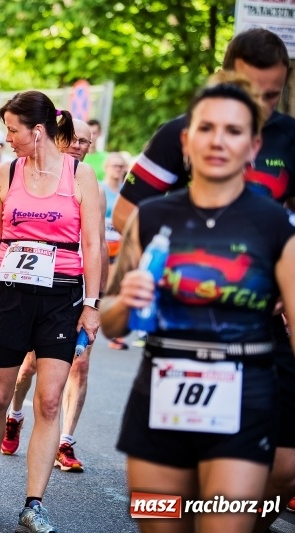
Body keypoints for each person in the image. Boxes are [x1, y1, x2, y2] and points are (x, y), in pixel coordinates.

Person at [111, 29, 295, 531]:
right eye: (248, 90)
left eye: (270, 96)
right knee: (162, 516)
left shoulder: (279, 196)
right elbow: (127, 222)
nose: (258, 104)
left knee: (274, 478)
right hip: (167, 365)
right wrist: (157, 272)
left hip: (254, 346)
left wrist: (277, 265)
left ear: (253, 145)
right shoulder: (177, 142)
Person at [0, 91, 100, 532]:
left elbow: (91, 244)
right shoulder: (6, 172)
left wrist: (91, 304)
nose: (6, 139)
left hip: (62, 295)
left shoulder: (81, 175)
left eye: (12, 131)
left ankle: (34, 503)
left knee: (49, 400)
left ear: (37, 131)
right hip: (11, 293)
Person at [101, 152, 129, 350]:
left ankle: (116, 333)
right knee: (103, 288)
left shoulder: (126, 192)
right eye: (115, 166)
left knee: (117, 287)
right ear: (106, 168)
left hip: (119, 247)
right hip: (101, 245)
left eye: (121, 167)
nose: (118, 170)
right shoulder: (99, 188)